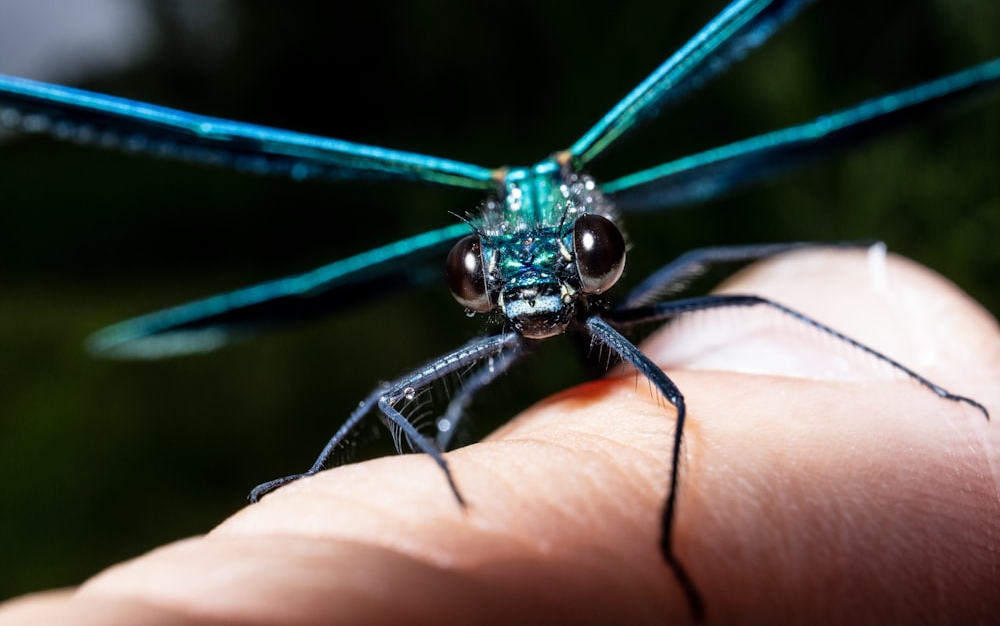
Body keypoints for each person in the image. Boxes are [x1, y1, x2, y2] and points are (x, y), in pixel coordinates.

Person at [1, 249, 996, 625]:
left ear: (595, 255)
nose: (529, 297)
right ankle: (303, 481)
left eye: (575, 260)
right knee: (405, 400)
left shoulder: (603, 311)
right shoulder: (522, 310)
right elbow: (395, 400)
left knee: (697, 345)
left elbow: (682, 404)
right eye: (487, 279)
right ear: (477, 278)